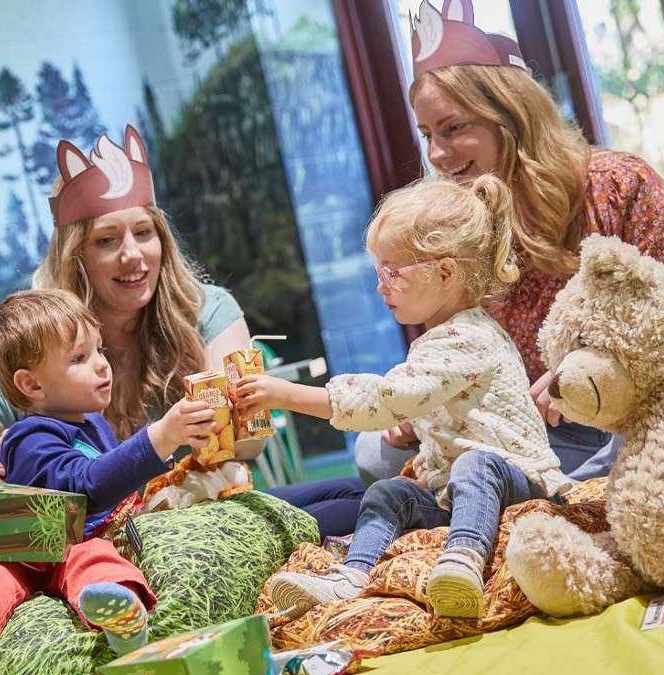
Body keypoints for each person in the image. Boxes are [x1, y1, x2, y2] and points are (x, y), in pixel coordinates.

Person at [354, 0, 664, 484]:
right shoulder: (458, 228)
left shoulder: (617, 185)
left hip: (638, 413)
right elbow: (456, 355)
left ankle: (545, 494)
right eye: (427, 134)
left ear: (510, 115)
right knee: (372, 452)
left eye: (454, 128)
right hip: (532, 435)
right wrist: (424, 406)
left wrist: (587, 375)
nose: (437, 154)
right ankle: (550, 492)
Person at [235, 174, 567, 620]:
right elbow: (443, 403)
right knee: (389, 491)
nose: (380, 286)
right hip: (454, 492)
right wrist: (419, 426)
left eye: (392, 271)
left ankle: (464, 559)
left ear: (446, 271)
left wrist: (288, 395)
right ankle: (352, 575)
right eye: (378, 271)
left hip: (517, 481)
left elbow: (388, 397)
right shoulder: (442, 338)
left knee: (476, 464)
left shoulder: (466, 337)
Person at [0, 290, 218, 675]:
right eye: (79, 358)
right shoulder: (30, 437)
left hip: (68, 549)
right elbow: (88, 487)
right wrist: (161, 436)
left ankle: (122, 614)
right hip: (15, 555)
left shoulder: (91, 423)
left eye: (98, 350)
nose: (101, 364)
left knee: (90, 556)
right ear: (31, 385)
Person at [0, 125, 261, 491]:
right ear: (73, 256)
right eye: (106, 240)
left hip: (210, 509)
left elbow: (251, 446)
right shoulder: (12, 348)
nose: (132, 255)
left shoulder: (207, 312)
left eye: (144, 233)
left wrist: (235, 419)